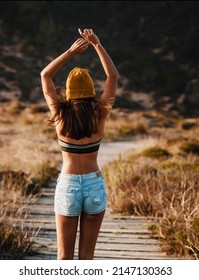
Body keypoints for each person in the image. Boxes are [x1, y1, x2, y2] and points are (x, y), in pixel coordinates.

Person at [40, 28, 118, 260]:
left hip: (68, 185)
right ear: (91, 90)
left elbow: (45, 76)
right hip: (94, 184)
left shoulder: (60, 114)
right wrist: (97, 44)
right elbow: (112, 76)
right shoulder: (99, 113)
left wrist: (70, 53)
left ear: (69, 92)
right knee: (87, 259)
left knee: (64, 258)